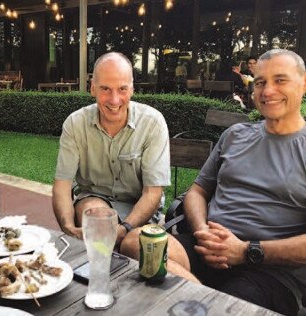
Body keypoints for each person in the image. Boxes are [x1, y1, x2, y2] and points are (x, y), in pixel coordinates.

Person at [122, 49, 306, 315]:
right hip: (205, 249)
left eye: (280, 80)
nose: (267, 91)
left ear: (303, 84)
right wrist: (203, 233)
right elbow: (197, 191)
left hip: (269, 273)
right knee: (136, 242)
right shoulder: (236, 135)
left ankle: (199, 304)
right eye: (260, 82)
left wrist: (246, 250)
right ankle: (206, 304)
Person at [52, 52, 170, 248]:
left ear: (132, 89)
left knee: (128, 245)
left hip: (139, 207)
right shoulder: (75, 123)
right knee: (99, 221)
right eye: (105, 89)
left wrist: (124, 228)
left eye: (122, 89)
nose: (114, 100)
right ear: (92, 88)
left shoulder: (152, 123)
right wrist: (67, 227)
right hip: (93, 201)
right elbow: (62, 185)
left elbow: (152, 193)